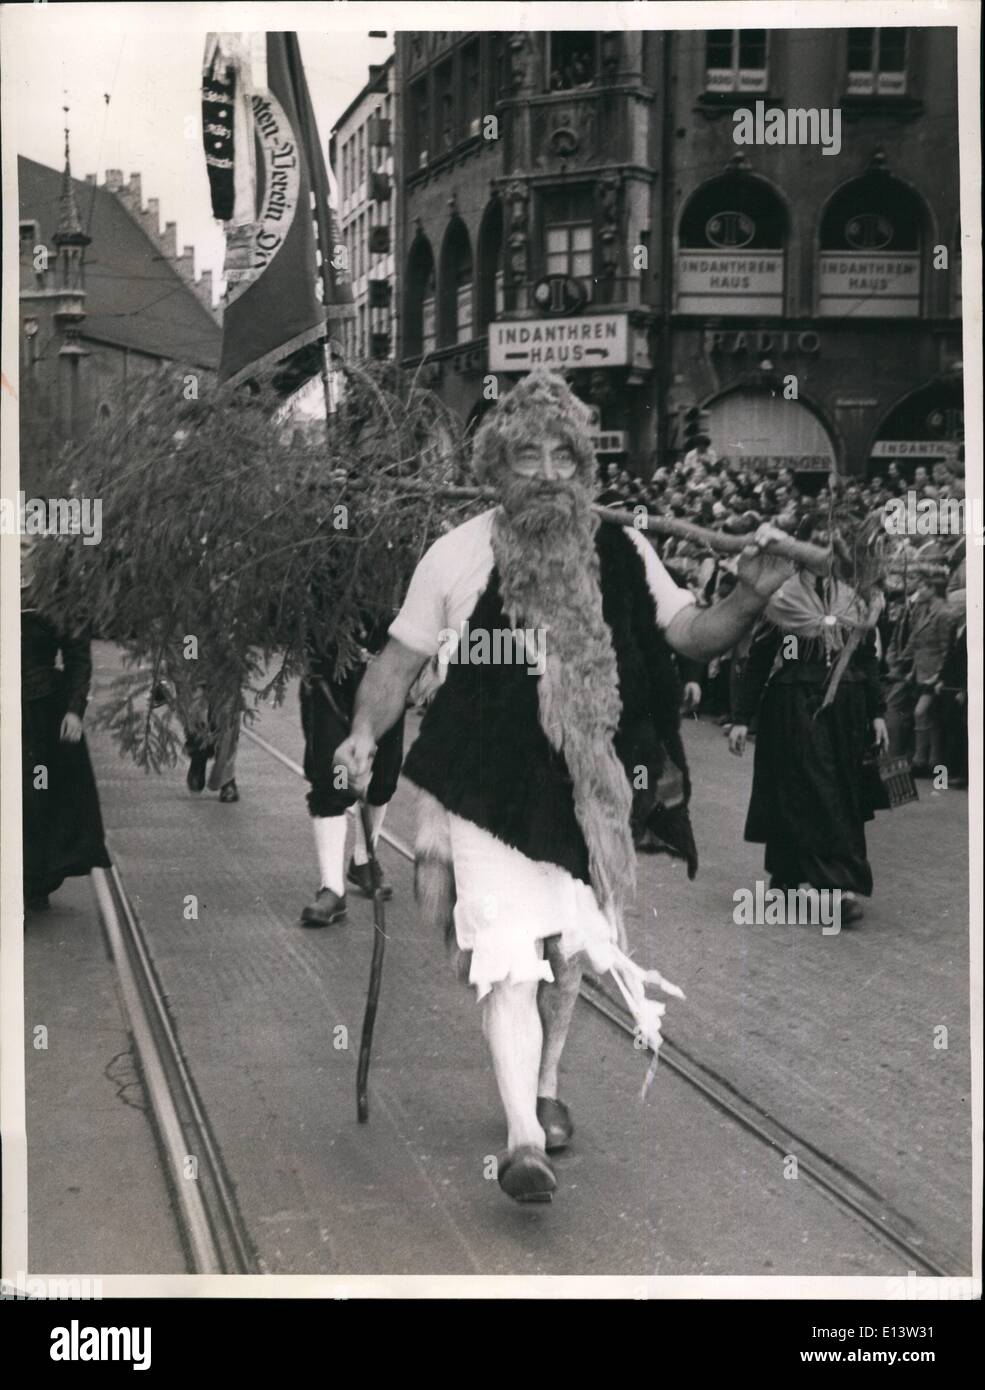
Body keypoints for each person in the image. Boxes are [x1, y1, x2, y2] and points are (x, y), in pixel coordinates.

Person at [332, 368, 799, 1204]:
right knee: (508, 962)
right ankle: (520, 1138)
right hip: (482, 786)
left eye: (562, 455)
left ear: (583, 465)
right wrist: (365, 734)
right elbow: (396, 665)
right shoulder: (455, 554)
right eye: (525, 456)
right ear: (494, 468)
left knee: (570, 950)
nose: (546, 471)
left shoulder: (621, 548)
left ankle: (546, 1083)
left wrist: (751, 597)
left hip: (590, 788)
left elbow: (692, 634)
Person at [728, 558, 889, 927]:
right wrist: (741, 718)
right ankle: (835, 887)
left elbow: (866, 657)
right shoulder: (782, 598)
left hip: (847, 708)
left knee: (839, 790)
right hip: (795, 706)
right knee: (815, 787)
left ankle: (787, 874)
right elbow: (760, 658)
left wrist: (877, 711)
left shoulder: (854, 598)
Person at [21, 538, 111, 912]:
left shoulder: (57, 599)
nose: (17, 554)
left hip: (41, 719)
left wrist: (74, 710)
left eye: (25, 546)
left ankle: (31, 880)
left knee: (35, 796)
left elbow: (77, 659)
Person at [299, 618, 404, 926]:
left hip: (387, 680)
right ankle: (331, 888)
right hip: (330, 678)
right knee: (335, 779)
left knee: (383, 778)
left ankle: (363, 859)